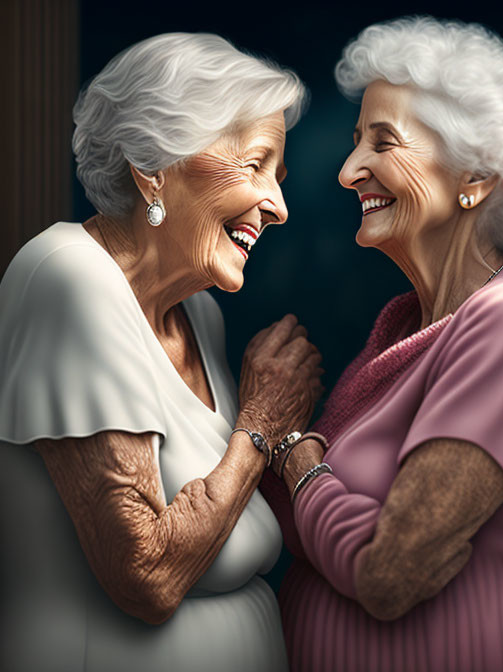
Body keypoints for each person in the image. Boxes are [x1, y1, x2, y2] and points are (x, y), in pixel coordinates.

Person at [258, 16, 503, 672]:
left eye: (383, 142)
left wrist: (298, 458)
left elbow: (389, 573)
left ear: (474, 177)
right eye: (354, 140)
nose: (348, 171)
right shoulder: (403, 326)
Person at [0, 33, 322, 672]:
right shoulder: (68, 278)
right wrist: (257, 426)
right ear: (154, 165)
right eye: (255, 165)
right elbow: (146, 573)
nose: (279, 207)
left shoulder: (197, 312)